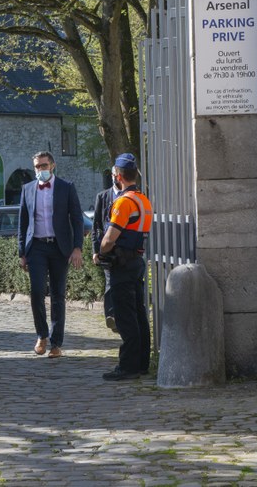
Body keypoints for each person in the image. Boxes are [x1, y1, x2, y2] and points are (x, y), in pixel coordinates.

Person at [18, 151, 84, 359]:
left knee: (58, 295)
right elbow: (23, 222)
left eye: (44, 166)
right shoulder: (27, 189)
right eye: (37, 166)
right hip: (36, 246)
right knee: (37, 291)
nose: (40, 170)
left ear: (53, 166)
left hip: (59, 247)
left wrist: (77, 248)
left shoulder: (66, 187)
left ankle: (56, 343)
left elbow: (77, 219)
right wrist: (22, 252)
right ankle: (41, 335)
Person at [98, 153, 153, 381]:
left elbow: (110, 237)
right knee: (139, 314)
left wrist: (101, 250)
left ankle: (128, 366)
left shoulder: (124, 202)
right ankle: (141, 363)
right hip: (137, 260)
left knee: (125, 316)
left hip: (121, 262)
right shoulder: (143, 200)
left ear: (118, 176)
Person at [92, 168, 121, 332]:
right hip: (107, 248)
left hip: (125, 247)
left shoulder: (130, 195)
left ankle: (121, 315)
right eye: (114, 175)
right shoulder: (103, 197)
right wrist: (96, 250)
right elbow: (96, 225)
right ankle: (111, 316)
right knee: (110, 282)